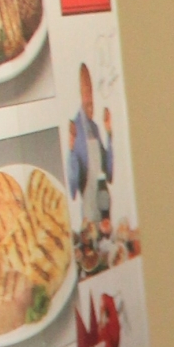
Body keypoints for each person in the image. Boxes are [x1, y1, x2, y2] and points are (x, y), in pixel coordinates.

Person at [66, 63, 113, 234]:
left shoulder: (95, 128)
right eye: (87, 104)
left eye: (92, 103)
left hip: (102, 199)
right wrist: (71, 148)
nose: (91, 108)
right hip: (88, 202)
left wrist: (109, 134)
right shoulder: (75, 127)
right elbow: (72, 180)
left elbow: (108, 169)